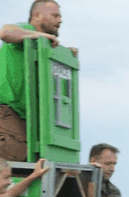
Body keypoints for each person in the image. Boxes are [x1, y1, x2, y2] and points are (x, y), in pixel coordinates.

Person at [0, 1, 74, 162]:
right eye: (55, 15)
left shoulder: (41, 46)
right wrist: (41, 35)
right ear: (37, 16)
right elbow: (5, 32)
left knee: (37, 159)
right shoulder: (27, 31)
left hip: (24, 117)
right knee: (17, 153)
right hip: (7, 110)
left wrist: (67, 56)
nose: (60, 20)